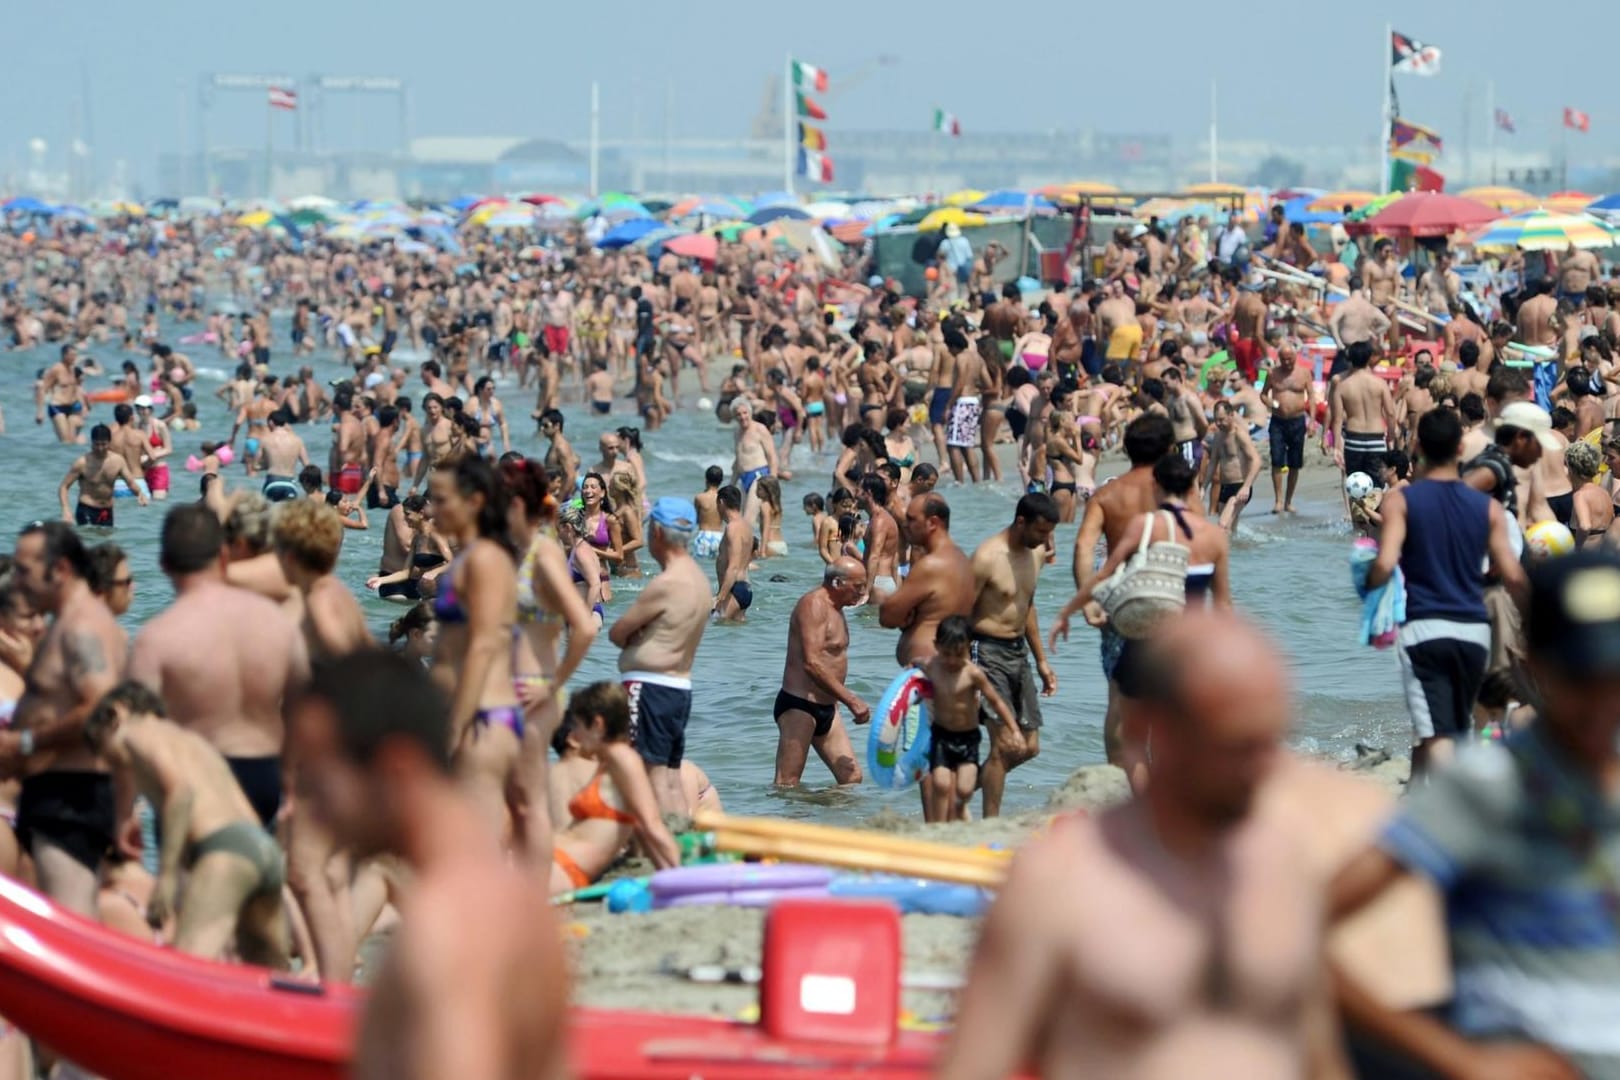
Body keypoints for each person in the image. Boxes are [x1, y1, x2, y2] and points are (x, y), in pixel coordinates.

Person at [942, 612, 1349, 1080]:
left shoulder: (1283, 867)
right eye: (1237, 745)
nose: (1265, 769)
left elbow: (1318, 1052)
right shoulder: (1059, 883)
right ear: (1151, 731)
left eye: (1271, 741)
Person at [1329, 550, 1620, 1080]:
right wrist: (1457, 1059)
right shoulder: (1487, 784)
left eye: (1615, 675)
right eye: (1582, 678)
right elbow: (1300, 929)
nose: (1603, 700)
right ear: (1531, 668)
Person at [289, 651, 569, 1080]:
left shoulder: (443, 935)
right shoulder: (508, 898)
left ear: (395, 769)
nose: (304, 807)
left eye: (315, 782)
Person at [1368, 407, 1528, 774]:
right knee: (1465, 723)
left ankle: (1457, 810)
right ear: (1460, 448)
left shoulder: (1401, 501)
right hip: (1475, 630)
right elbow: (1513, 576)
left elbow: (1386, 562)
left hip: (1424, 628)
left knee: (1438, 734)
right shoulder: (1487, 507)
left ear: (1418, 446)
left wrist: (1369, 582)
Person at [130, 505, 309, 829]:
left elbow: (135, 733)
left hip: (195, 781)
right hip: (265, 779)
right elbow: (304, 710)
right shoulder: (277, 623)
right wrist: (293, 789)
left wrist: (126, 811)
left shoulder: (156, 638)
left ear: (164, 565)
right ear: (224, 557)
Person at [85, 681, 288, 967]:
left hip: (226, 851)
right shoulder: (193, 743)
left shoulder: (136, 732)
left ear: (117, 713)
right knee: (268, 970)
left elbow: (181, 793)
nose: (114, 764)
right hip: (262, 850)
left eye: (104, 751)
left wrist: (166, 877)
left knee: (188, 968)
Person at [3, 522, 127, 916]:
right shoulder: (70, 624)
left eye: (24, 571)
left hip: (71, 798)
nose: (17, 581)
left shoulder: (80, 628)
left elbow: (103, 707)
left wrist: (26, 743)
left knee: (72, 919)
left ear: (59, 570)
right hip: (58, 796)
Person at [1051, 414, 1176, 766]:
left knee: (1119, 700)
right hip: (1167, 600)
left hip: (1122, 603)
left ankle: (1124, 777)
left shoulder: (1107, 495)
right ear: (1168, 449)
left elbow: (1082, 548)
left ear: (1125, 447)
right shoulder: (1176, 492)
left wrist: (1088, 600)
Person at [426, 457, 524, 842]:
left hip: (482, 718)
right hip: (471, 714)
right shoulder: (469, 557)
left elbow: (483, 645)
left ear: (475, 502)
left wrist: (454, 727)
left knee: (474, 851)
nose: (433, 510)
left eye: (442, 500)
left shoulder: (484, 559)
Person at [608, 498, 713, 816]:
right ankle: (681, 843)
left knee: (648, 776)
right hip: (678, 689)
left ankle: (660, 851)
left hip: (649, 688)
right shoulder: (701, 582)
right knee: (668, 777)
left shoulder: (666, 583)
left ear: (655, 532)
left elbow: (617, 633)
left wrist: (636, 637)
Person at [969, 493, 1058, 819]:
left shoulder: (1034, 555)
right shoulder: (987, 557)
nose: (1045, 540)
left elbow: (1027, 607)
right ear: (1021, 522)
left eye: (1049, 532)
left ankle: (961, 790)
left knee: (1030, 746)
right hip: (985, 650)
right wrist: (963, 669)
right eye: (1040, 531)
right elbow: (961, 614)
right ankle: (990, 823)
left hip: (1018, 652)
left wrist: (1042, 662)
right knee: (1005, 744)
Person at [547, 682, 680, 894]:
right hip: (552, 859)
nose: (575, 736)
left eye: (579, 726)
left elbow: (652, 826)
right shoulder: (609, 762)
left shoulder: (623, 757)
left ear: (598, 725)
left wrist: (681, 879)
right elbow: (642, 829)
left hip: (562, 866)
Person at [774, 557, 870, 787]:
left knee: (851, 777)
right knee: (787, 784)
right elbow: (812, 662)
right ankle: (783, 821)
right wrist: (851, 699)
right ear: (837, 583)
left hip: (828, 707)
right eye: (857, 587)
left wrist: (839, 701)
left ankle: (824, 820)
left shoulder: (837, 609)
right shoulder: (813, 605)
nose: (862, 593)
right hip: (800, 705)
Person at [921, 616, 1017, 824]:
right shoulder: (931, 666)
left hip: (968, 739)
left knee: (964, 790)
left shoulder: (973, 674)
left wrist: (1014, 729)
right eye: (946, 654)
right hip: (941, 736)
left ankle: (960, 807)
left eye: (959, 654)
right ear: (936, 646)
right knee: (940, 783)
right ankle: (937, 828)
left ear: (969, 647)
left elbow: (996, 701)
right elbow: (915, 669)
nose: (952, 661)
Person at [879, 494, 974, 666]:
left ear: (932, 523)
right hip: (953, 667)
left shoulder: (931, 565)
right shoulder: (963, 560)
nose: (906, 525)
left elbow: (887, 616)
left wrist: (903, 613)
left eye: (912, 519)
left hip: (929, 669)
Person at [1259, 344, 1316, 513]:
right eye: (1283, 359)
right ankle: (1278, 500)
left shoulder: (1304, 373)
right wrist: (1270, 402)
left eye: (1289, 359)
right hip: (1278, 421)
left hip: (1297, 421)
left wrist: (1311, 421)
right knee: (1277, 459)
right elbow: (1263, 394)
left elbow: (1311, 397)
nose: (1286, 362)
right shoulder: (1273, 374)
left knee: (1294, 462)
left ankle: (1289, 501)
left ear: (1295, 357)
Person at [58, 423, 148, 527]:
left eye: (103, 444)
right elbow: (64, 487)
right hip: (86, 509)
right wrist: (66, 509)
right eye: (97, 444)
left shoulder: (118, 461)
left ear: (110, 443)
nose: (100, 448)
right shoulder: (82, 463)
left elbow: (131, 483)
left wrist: (140, 493)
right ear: (91, 443)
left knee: (107, 541)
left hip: (107, 511)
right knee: (89, 540)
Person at [1206, 399, 1263, 533]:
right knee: (1230, 530)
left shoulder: (1239, 434)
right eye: (1216, 420)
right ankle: (1238, 551)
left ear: (1231, 415)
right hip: (1225, 487)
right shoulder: (1218, 436)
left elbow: (1256, 461)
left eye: (1222, 419)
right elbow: (1213, 462)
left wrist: (1247, 487)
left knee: (1222, 526)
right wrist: (1203, 487)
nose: (1219, 424)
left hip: (1240, 487)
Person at [713, 484, 753, 622]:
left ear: (721, 502)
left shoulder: (733, 528)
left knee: (716, 626)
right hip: (744, 588)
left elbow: (733, 567)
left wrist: (719, 598)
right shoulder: (746, 526)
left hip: (733, 590)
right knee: (733, 638)